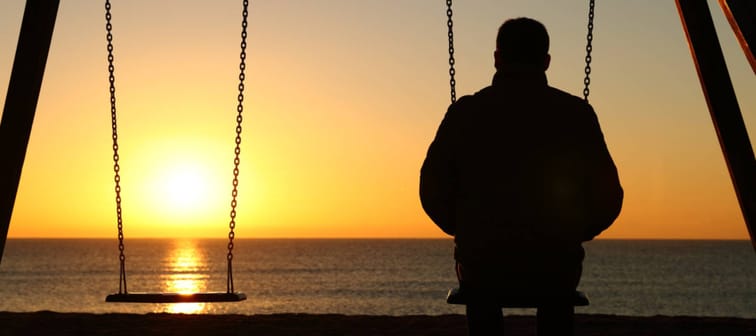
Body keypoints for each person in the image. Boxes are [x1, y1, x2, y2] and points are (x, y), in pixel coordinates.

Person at [419, 17, 623, 336]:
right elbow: (609, 197)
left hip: (482, 263)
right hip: (555, 264)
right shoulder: (575, 114)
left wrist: (464, 227)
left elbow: (431, 190)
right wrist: (573, 231)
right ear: (546, 61)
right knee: (557, 279)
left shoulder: (465, 113)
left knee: (480, 277)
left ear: (497, 58)